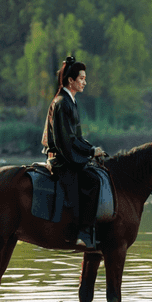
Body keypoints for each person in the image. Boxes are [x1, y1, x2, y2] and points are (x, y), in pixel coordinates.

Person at [41, 56, 105, 247]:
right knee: (91, 181)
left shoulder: (71, 102)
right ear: (71, 80)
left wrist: (92, 150)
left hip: (66, 155)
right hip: (61, 160)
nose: (85, 82)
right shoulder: (62, 103)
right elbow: (66, 141)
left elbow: (75, 138)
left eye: (85, 78)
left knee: (94, 175)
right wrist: (90, 152)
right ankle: (79, 233)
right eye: (82, 78)